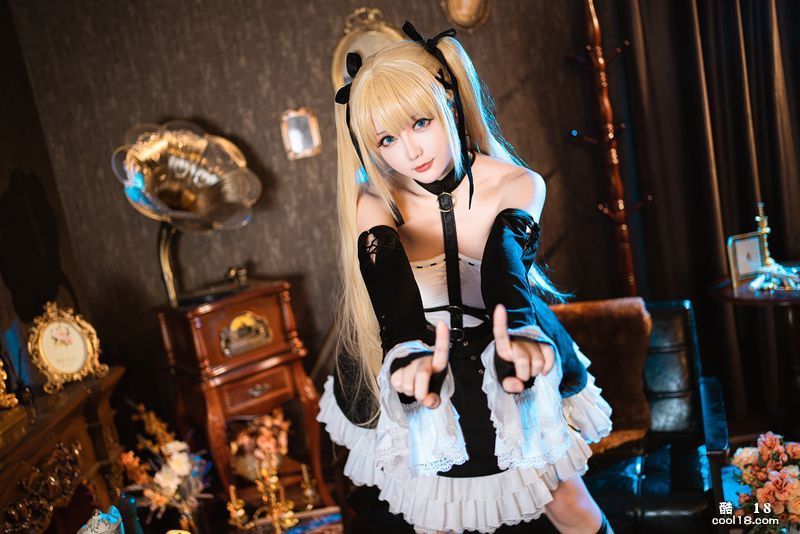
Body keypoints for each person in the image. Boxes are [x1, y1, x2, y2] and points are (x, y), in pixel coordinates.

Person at [317, 21, 614, 534]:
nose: (411, 152)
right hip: (421, 363)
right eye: (387, 139)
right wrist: (405, 352)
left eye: (420, 122)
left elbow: (505, 263)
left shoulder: (519, 183)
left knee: (570, 505)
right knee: (440, 520)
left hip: (503, 347)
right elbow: (386, 279)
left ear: (450, 103)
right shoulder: (375, 201)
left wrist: (516, 333)